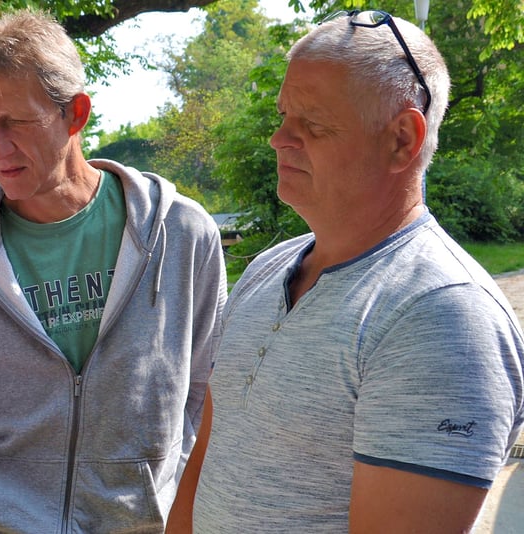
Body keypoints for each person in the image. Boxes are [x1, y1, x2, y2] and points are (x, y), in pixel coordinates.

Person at [167, 10, 524, 533]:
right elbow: (207, 459)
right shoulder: (269, 268)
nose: (278, 140)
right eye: (282, 117)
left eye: (310, 124)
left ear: (402, 138)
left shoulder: (443, 318)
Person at [0, 8, 227, 532]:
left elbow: (205, 387)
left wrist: (163, 500)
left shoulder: (183, 234)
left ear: (75, 113)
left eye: (17, 121)